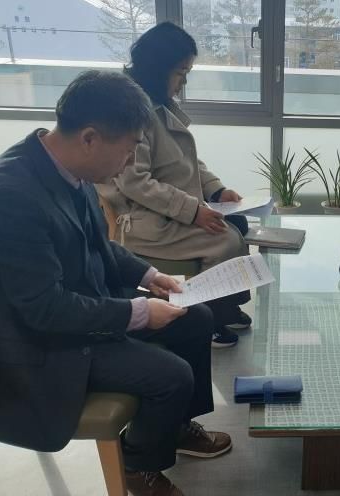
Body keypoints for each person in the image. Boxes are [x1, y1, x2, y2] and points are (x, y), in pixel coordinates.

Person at [0, 71, 231, 496]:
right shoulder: (10, 196)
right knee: (171, 376)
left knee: (196, 317)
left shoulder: (66, 167)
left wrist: (151, 276)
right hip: (43, 343)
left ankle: (172, 428)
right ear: (90, 138)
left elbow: (100, 245)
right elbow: (45, 309)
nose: (131, 162)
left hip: (84, 308)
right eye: (130, 147)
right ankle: (138, 466)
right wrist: (139, 312)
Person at [99, 22, 250, 348]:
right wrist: (194, 212)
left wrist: (216, 190)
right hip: (141, 218)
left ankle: (226, 305)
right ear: (158, 68)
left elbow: (186, 160)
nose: (184, 81)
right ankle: (209, 319)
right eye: (181, 72)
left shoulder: (160, 103)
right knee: (223, 241)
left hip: (168, 209)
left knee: (237, 222)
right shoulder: (130, 111)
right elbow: (135, 182)